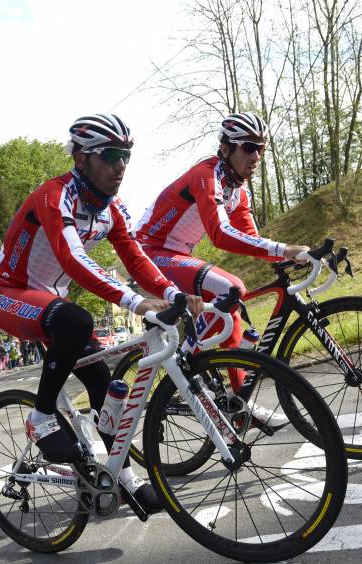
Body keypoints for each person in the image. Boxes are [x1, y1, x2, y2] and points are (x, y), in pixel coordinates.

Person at [0, 113, 202, 514]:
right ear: (82, 159)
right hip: (8, 294)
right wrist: (135, 301)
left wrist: (173, 292)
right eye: (110, 156)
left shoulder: (111, 208)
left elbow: (136, 260)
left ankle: (123, 480)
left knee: (104, 384)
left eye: (126, 157)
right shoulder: (56, 196)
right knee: (77, 320)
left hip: (51, 303)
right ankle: (42, 416)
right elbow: (73, 257)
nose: (120, 166)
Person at [134, 112, 309, 423]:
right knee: (232, 289)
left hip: (175, 254)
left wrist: (285, 258)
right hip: (149, 252)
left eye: (261, 148)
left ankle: (227, 396)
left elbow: (249, 238)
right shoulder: (207, 175)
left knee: (232, 311)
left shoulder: (237, 188)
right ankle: (198, 368)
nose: (256, 155)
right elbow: (221, 235)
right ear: (226, 147)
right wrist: (284, 249)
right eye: (248, 147)